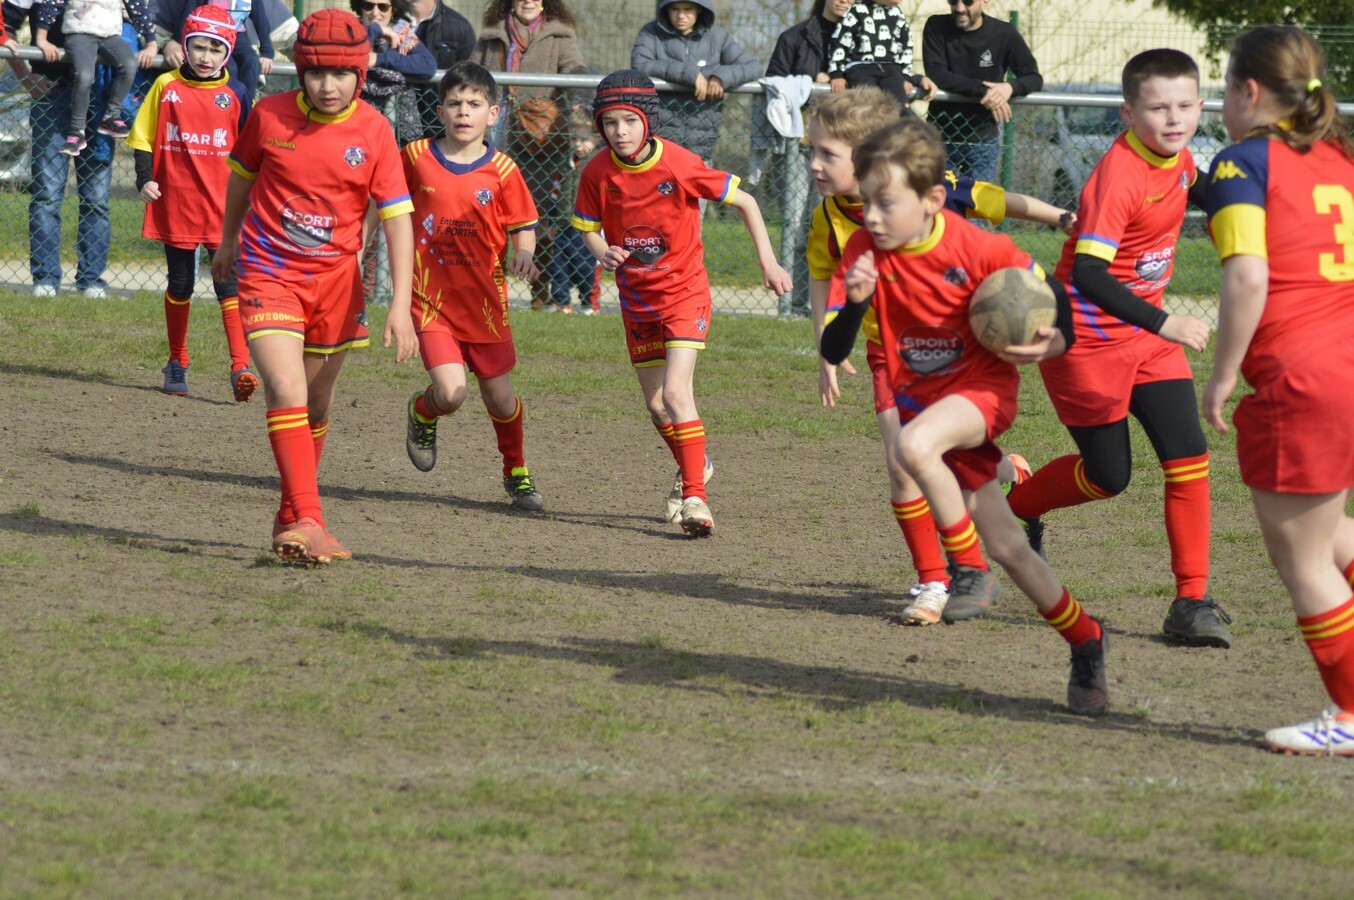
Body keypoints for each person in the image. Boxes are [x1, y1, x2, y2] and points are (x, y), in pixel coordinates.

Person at [818, 118, 1108, 715]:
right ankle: (1086, 640)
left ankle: (966, 568)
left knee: (911, 449)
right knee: (1014, 550)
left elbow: (1060, 306)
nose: (871, 216)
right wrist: (854, 305)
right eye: (866, 201)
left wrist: (1051, 343)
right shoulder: (864, 249)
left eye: (886, 203)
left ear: (931, 200)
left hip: (983, 394)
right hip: (923, 402)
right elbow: (833, 347)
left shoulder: (980, 249)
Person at [807, 86, 1073, 624]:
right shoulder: (829, 220)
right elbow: (822, 280)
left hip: (960, 357)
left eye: (826, 154)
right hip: (892, 356)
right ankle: (934, 580)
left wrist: (1062, 216)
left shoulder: (934, 192)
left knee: (927, 455)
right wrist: (825, 350)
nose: (813, 164)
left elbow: (997, 200)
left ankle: (1005, 478)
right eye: (810, 151)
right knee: (903, 463)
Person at [1003, 49, 1233, 648]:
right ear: (1129, 113)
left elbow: (1201, 189)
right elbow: (1088, 273)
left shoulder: (1181, 156)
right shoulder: (1120, 175)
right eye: (1157, 108)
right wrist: (1165, 321)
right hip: (1086, 341)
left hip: (1148, 340)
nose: (1173, 118)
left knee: (1189, 457)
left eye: (1184, 106)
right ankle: (1017, 506)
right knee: (1108, 477)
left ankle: (1191, 602)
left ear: (1201, 106)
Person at [212, 8, 417, 565]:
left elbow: (398, 218)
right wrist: (228, 240)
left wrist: (400, 304)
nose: (329, 85)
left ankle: (290, 513)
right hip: (268, 273)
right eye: (317, 73)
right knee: (285, 388)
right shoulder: (269, 115)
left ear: (361, 74)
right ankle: (311, 518)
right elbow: (240, 180)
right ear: (301, 71)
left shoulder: (375, 130)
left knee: (316, 402)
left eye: (342, 74)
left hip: (337, 286)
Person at [1201, 26, 1354, 755]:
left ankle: (1349, 715)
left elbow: (1248, 275)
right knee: (1331, 534)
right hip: (1345, 364)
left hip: (1303, 378)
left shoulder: (1241, 161)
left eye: (1224, 87)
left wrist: (1224, 373)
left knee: (1306, 563)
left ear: (1250, 91)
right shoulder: (1340, 158)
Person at [571, 70, 791, 536]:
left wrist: (768, 262)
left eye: (629, 120)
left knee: (676, 394)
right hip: (637, 299)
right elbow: (588, 228)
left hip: (684, 294)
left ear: (648, 120)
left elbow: (748, 203)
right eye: (609, 122)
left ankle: (695, 499)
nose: (619, 131)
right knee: (657, 407)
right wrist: (602, 251)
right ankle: (698, 464)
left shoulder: (678, 163)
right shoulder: (596, 171)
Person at [401, 61, 546, 511]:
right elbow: (385, 204)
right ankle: (423, 412)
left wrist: (525, 252)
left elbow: (523, 225)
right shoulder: (415, 156)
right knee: (451, 393)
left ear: (494, 113)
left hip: (485, 305)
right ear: (440, 111)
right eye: (454, 103)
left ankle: (516, 470)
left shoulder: (503, 169)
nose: (464, 112)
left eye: (474, 104)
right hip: (430, 300)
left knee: (500, 399)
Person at [129, 4, 255, 400]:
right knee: (180, 283)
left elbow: (251, 153)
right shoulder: (165, 85)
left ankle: (240, 366)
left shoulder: (237, 93)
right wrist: (144, 179)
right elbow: (143, 136)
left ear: (228, 52)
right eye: (199, 46)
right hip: (177, 203)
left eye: (216, 49)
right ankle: (176, 360)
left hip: (223, 207)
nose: (206, 57)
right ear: (185, 45)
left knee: (227, 283)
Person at [473, 0, 586, 311]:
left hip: (540, 140)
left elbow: (576, 70)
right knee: (488, 211)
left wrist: (580, 103)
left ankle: (539, 292)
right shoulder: (492, 33)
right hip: (494, 132)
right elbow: (471, 74)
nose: (528, 1)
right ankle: (487, 287)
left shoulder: (560, 34)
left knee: (538, 217)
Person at [26, 15, 138, 297]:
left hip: (100, 101)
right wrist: (24, 75)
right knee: (47, 195)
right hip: (53, 94)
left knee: (96, 199)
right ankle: (45, 279)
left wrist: (152, 43)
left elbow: (146, 18)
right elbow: (7, 21)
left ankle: (90, 281)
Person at [761, 0, 854, 318]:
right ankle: (792, 303)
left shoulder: (864, 37)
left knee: (832, 226)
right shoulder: (795, 37)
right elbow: (773, 83)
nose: (845, 0)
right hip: (800, 145)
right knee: (797, 225)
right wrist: (812, 83)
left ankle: (828, 303)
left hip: (844, 151)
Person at [352, 0, 436, 306]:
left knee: (388, 211)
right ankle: (348, 281)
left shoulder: (403, 32)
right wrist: (374, 33)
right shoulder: (352, 31)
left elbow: (426, 66)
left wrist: (380, 58)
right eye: (368, 5)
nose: (375, 12)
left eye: (383, 6)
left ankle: (373, 288)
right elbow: (351, 54)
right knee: (356, 211)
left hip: (395, 138)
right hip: (356, 137)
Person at [922, 0, 1041, 182]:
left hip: (982, 139)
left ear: (985, 2)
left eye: (968, 2)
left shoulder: (1004, 33)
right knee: (938, 197)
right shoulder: (936, 26)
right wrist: (983, 91)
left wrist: (1009, 87)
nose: (959, 8)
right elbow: (936, 73)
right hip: (941, 136)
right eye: (953, 1)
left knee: (979, 199)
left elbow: (1033, 78)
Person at [631, 0, 760, 167]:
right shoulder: (651, 33)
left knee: (700, 181)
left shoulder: (718, 37)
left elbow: (753, 66)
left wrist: (720, 77)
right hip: (661, 141)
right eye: (675, 9)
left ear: (699, 9)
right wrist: (690, 74)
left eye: (688, 9)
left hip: (702, 142)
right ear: (666, 9)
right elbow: (640, 64)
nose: (681, 15)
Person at [33, 0, 156, 155]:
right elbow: (52, 4)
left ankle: (112, 115)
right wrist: (41, 38)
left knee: (130, 65)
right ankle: (77, 131)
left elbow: (137, 8)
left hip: (110, 35)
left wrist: (151, 43)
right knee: (84, 75)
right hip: (79, 32)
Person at [826, 0, 936, 108]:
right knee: (867, 104)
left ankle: (905, 118)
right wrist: (837, 74)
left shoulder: (897, 13)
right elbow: (839, 43)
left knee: (900, 103)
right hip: (860, 68)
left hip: (891, 69)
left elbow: (905, 46)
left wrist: (905, 77)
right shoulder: (856, 10)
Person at [544, 106, 601, 314]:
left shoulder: (598, 164)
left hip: (588, 228)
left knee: (586, 267)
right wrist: (552, 221)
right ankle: (561, 302)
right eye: (573, 139)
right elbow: (555, 194)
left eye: (584, 139)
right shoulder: (566, 163)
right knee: (559, 266)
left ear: (596, 138)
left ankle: (589, 304)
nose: (578, 145)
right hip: (564, 225)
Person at [409, 0, 476, 137]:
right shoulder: (386, 14)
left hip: (438, 122)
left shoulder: (459, 27)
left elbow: (469, 81)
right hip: (396, 115)